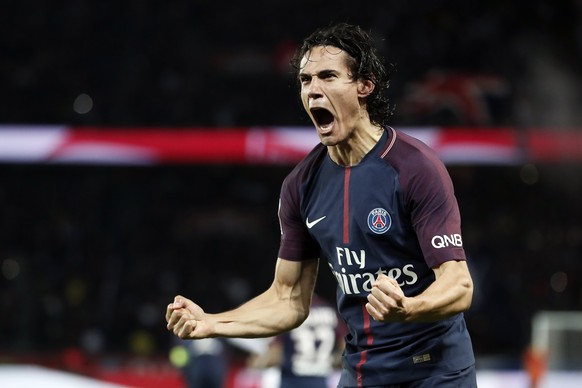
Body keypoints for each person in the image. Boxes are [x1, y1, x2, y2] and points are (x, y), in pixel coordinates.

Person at [166, 22, 477, 387]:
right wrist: (212, 324)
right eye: (305, 80)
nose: (313, 91)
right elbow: (289, 299)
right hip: (363, 372)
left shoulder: (415, 168)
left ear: (365, 85)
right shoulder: (301, 185)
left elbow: (458, 284)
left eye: (327, 76)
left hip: (436, 372)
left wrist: (408, 309)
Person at [248, 294, 346, 388]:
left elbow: (275, 355)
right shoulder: (328, 310)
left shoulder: (288, 312)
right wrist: (331, 360)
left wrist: (259, 362)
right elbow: (345, 347)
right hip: (320, 382)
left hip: (292, 381)